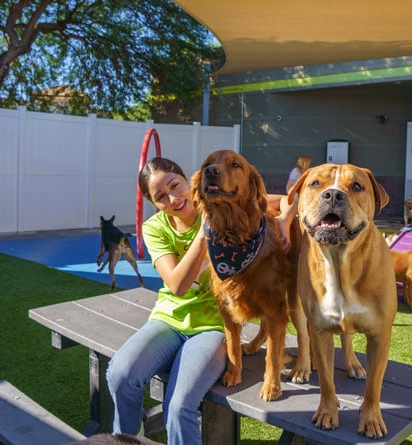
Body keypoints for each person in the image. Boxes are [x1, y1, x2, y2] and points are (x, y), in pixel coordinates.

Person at [106, 157, 295, 445]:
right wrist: (206, 233)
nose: (173, 198)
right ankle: (129, 439)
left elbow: (288, 200)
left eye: (175, 185)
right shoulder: (157, 228)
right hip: (169, 320)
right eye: (160, 197)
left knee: (179, 406)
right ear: (155, 205)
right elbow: (178, 285)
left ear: (187, 180)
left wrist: (283, 224)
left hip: (213, 327)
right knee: (120, 375)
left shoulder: (223, 198)